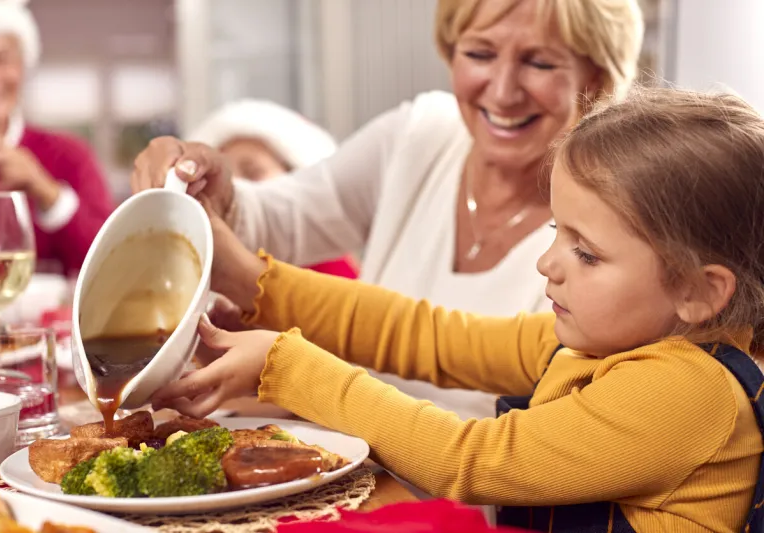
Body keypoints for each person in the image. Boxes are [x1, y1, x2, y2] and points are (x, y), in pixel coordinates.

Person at [151, 87, 764, 532]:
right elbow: (429, 336)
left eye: (588, 253)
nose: (548, 263)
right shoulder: (608, 341)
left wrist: (289, 366)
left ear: (700, 291)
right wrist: (254, 281)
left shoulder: (687, 391)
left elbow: (472, 459)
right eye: (557, 230)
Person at [131, 0, 644, 420]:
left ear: (596, 78)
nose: (504, 91)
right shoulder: (422, 133)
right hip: (349, 467)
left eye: (539, 63)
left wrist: (277, 345)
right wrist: (214, 189)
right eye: (480, 54)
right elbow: (280, 220)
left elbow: (496, 438)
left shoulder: (609, 234)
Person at [0, 0, 113, 276]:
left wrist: (45, 189)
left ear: (23, 67)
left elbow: (112, 262)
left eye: (3, 58)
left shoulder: (70, 155)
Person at [188, 99, 357, 279]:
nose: (235, 185)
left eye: (252, 172)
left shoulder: (335, 275)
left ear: (297, 174)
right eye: (217, 178)